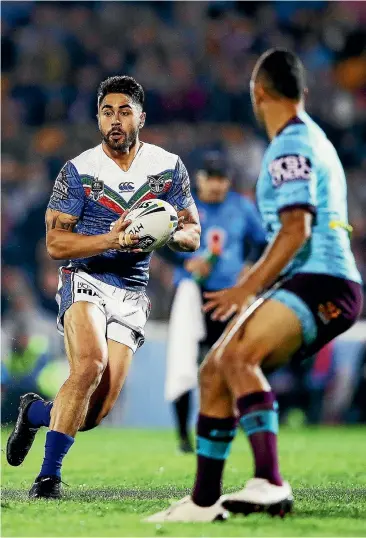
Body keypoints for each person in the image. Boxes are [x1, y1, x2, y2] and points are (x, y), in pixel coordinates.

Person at [146, 48, 363, 522]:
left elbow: (296, 229)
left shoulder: (290, 145)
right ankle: (204, 502)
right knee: (214, 369)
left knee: (239, 357)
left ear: (257, 92)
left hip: (323, 281)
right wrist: (254, 279)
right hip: (306, 279)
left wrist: (247, 289)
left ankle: (270, 480)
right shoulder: (309, 138)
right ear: (301, 93)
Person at [6, 76, 201, 499]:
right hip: (86, 278)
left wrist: (162, 232)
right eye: (107, 112)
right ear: (98, 118)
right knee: (89, 365)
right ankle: (48, 478)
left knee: (94, 414)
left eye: (125, 111)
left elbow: (193, 234)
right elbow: (56, 243)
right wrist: (116, 238)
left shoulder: (168, 167)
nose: (115, 120)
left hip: (132, 291)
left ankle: (35, 412)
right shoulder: (78, 171)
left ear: (141, 117)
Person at [162, 161, 266, 453]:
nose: (218, 185)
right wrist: (185, 261)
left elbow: (260, 241)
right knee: (183, 361)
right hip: (192, 292)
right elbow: (158, 242)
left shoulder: (242, 206)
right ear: (200, 179)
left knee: (236, 357)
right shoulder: (182, 206)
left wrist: (248, 266)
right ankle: (183, 433)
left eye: (223, 178)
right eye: (212, 178)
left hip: (230, 293)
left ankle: (241, 421)